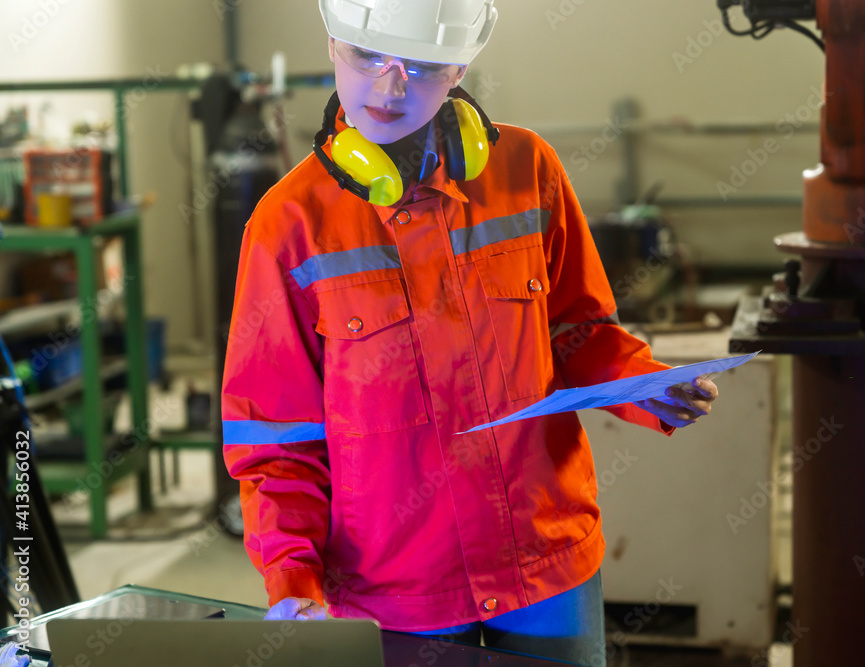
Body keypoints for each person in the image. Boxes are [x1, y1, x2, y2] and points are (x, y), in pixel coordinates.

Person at [221, 2, 719, 665]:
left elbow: (579, 331)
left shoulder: (527, 172)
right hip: (393, 588)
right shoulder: (288, 225)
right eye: (368, 56)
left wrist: (642, 384)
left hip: (546, 560)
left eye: (422, 66)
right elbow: (275, 441)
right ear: (333, 43)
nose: (389, 87)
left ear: (460, 66)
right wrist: (292, 576)